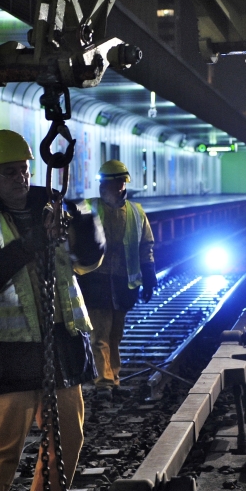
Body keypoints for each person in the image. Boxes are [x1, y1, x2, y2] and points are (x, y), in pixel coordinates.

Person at [0, 129, 105, 491]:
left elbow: (87, 261)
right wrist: (27, 246)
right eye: (8, 173)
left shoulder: (54, 209)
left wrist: (88, 225)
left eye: (23, 170)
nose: (20, 179)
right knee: (5, 448)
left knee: (68, 440)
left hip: (62, 344)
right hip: (13, 350)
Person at [78, 160, 157, 402]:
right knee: (100, 334)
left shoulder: (135, 212)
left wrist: (149, 276)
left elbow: (146, 247)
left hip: (123, 284)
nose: (108, 187)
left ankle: (113, 379)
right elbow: (74, 246)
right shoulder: (86, 209)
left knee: (115, 335)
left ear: (123, 185)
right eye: (105, 183)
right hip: (96, 281)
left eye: (113, 183)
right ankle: (103, 382)